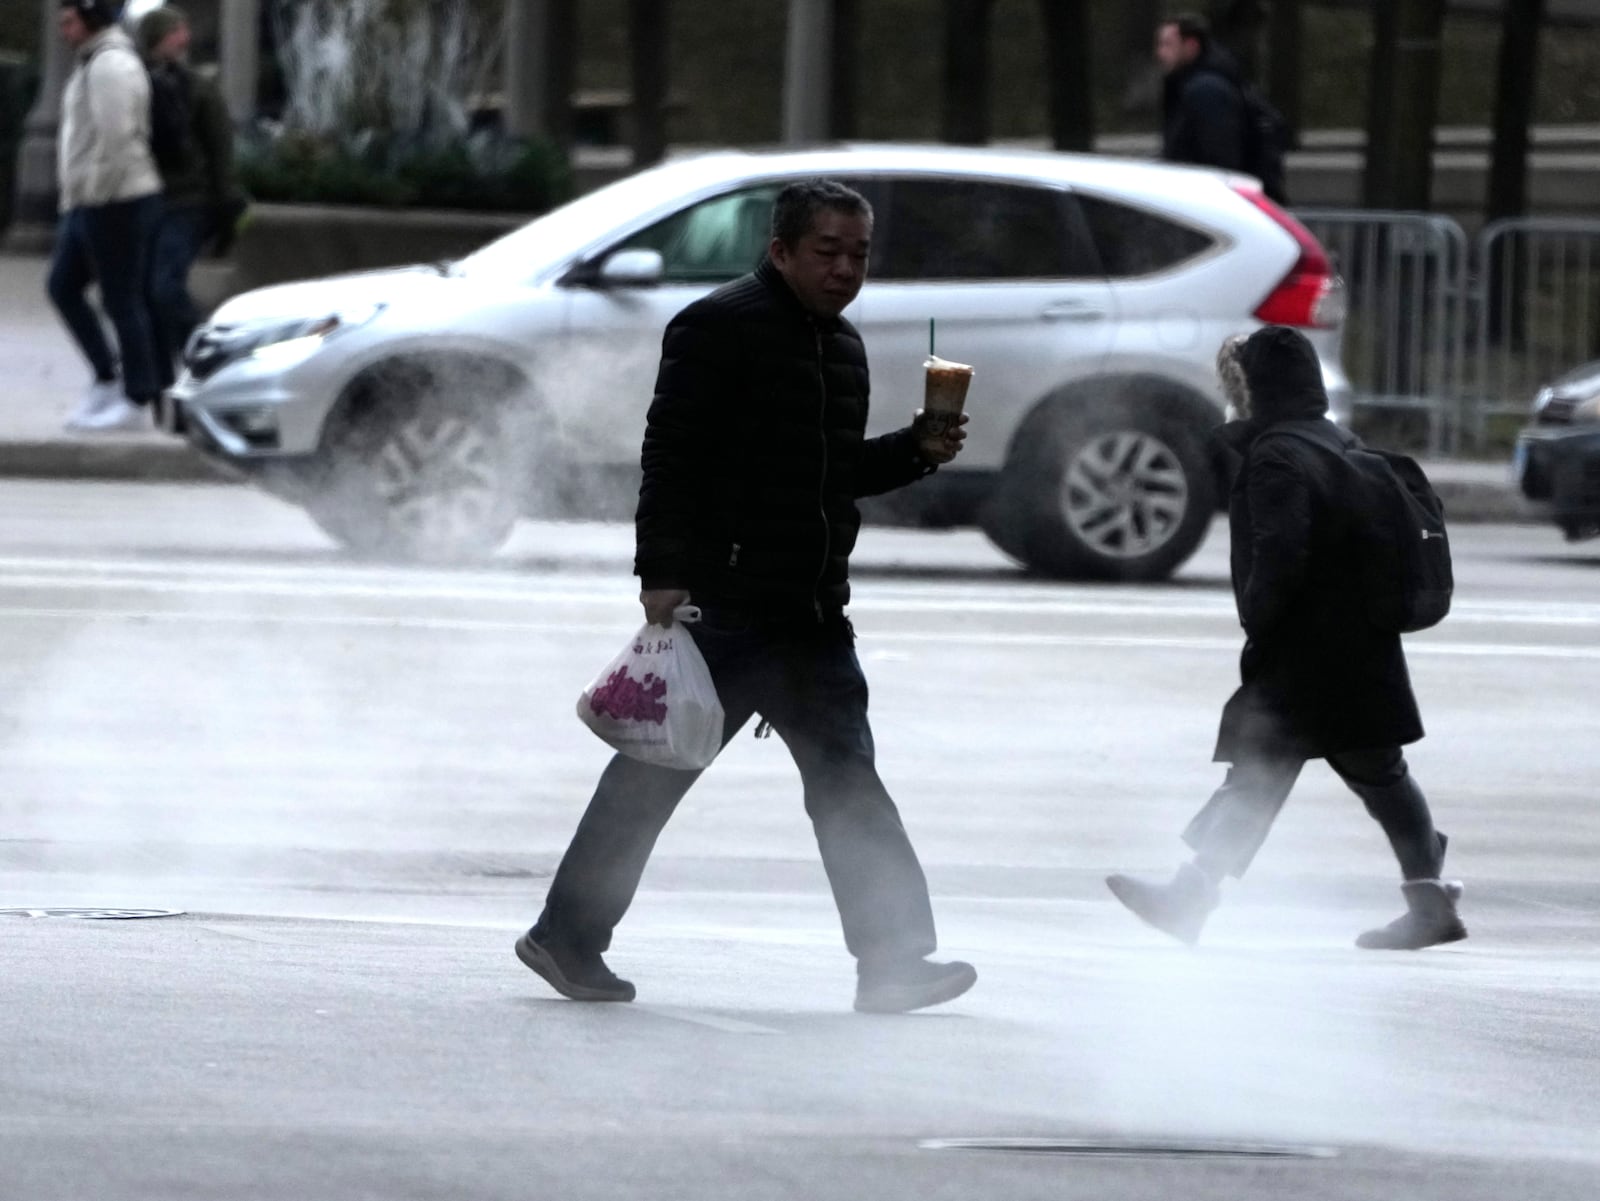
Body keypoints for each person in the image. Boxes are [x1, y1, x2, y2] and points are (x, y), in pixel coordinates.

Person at [517, 180, 979, 1015]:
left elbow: (829, 476)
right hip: (726, 605)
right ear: (780, 251)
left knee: (849, 785)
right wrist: (660, 572)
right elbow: (673, 453)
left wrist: (915, 450)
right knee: (652, 776)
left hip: (808, 611)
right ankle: (567, 937)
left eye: (859, 254)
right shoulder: (716, 326)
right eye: (827, 252)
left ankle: (894, 961)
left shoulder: (841, 346)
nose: (845, 270)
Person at [1105, 326, 1466, 952]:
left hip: (1306, 654)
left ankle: (1190, 897)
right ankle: (1428, 899)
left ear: (1255, 390)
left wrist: (1262, 629)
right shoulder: (1339, 442)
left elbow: (1277, 560)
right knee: (1377, 773)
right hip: (1362, 648)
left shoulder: (1275, 456)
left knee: (1261, 774)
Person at [48, 0, 164, 433]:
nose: (64, 28)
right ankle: (107, 378)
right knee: (63, 287)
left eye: (70, 20)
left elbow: (119, 139)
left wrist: (96, 192)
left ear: (92, 19)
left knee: (122, 299)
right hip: (91, 201)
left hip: (117, 200)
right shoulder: (93, 61)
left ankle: (137, 398)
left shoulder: (110, 66)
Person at [138, 4, 243, 390]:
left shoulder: (198, 87)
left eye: (182, 31)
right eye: (174, 32)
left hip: (188, 204)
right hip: (148, 202)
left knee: (164, 289)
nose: (183, 39)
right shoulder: (137, 81)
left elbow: (220, 148)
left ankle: (209, 352)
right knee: (149, 294)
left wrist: (225, 204)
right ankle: (167, 379)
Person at [1156, 12, 1248, 174]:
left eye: (1168, 45)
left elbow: (1218, 158)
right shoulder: (1189, 86)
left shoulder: (1206, 91)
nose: (1160, 53)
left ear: (1191, 46)